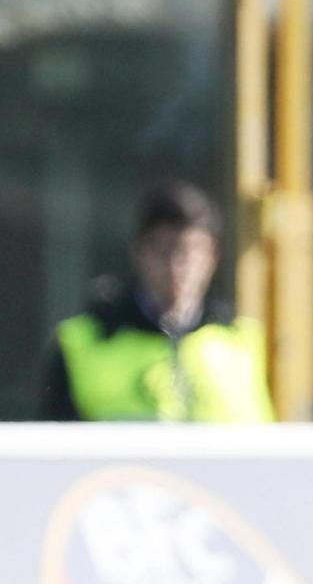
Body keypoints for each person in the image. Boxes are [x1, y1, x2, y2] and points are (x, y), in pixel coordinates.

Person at [40, 181, 273, 422]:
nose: (176, 266)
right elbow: (55, 450)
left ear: (212, 256)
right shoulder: (83, 341)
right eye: (164, 249)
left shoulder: (242, 341)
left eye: (190, 251)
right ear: (139, 252)